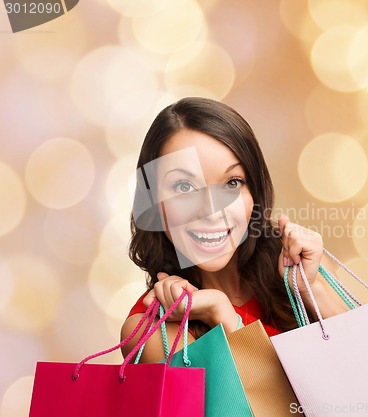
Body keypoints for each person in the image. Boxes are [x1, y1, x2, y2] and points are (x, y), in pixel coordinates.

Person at [121, 97, 348, 363]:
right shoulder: (152, 331)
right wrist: (223, 316)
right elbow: (280, 404)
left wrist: (312, 289)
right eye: (184, 187)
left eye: (232, 183)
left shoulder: (301, 266)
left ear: (255, 191)